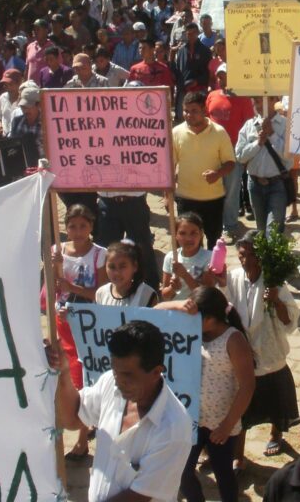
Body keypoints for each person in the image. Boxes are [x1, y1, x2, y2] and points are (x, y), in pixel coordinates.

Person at [48, 320, 192, 502]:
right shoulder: (110, 382)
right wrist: (63, 373)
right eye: (115, 370)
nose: (118, 381)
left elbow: (138, 497)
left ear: (156, 372)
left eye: (128, 375)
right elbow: (72, 419)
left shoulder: (174, 428)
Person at [173, 287, 255, 502]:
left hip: (221, 425)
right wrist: (178, 305)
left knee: (223, 474)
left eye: (193, 315)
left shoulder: (233, 340)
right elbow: (155, 310)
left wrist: (227, 425)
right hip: (193, 420)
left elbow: (247, 386)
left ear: (210, 318)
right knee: (182, 471)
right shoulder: (194, 333)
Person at [225, 232, 300, 464]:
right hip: (244, 352)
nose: (246, 260)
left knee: (277, 401)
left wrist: (276, 300)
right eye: (242, 254)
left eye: (252, 255)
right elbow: (224, 303)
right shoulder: (234, 278)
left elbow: (290, 321)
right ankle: (238, 456)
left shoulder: (274, 282)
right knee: (242, 410)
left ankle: (276, 434)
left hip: (270, 350)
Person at [51, 203, 108, 459]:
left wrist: (70, 286)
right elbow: (53, 288)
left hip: (88, 322)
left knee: (84, 375)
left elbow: (100, 293)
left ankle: (84, 436)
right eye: (72, 226)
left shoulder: (99, 254)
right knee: (62, 374)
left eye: (83, 226)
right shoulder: (57, 251)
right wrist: (55, 269)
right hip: (62, 321)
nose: (77, 231)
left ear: (91, 227)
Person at [173, 91, 236, 251]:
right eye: (186, 111)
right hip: (185, 199)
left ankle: (212, 274)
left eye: (194, 111)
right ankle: (191, 274)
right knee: (189, 244)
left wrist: (217, 174)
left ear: (204, 110)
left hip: (213, 199)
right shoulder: (176, 132)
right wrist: (168, 196)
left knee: (213, 242)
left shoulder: (219, 132)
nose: (189, 115)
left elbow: (230, 163)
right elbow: (170, 165)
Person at [205, 63, 255, 236]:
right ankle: (214, 221)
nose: (221, 79)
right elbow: (206, 118)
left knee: (232, 190)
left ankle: (230, 224)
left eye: (225, 75)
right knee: (212, 187)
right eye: (219, 75)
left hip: (233, 150)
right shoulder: (211, 95)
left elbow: (249, 125)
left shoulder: (243, 98)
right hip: (211, 148)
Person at [235, 100, 290, 236]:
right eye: (255, 102)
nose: (258, 105)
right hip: (254, 185)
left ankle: (273, 257)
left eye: (261, 100)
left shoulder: (285, 124)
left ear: (272, 100)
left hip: (277, 185)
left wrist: (272, 134)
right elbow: (240, 156)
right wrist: (257, 143)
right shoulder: (249, 125)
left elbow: (288, 156)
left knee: (273, 231)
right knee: (261, 229)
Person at [160, 211, 222, 301]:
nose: (188, 238)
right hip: (176, 309)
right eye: (182, 233)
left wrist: (185, 275)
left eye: (193, 233)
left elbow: (206, 296)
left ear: (201, 234)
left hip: (198, 309)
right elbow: (165, 295)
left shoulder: (209, 258)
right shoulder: (170, 257)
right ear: (175, 235)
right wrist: (172, 288)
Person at [95, 239, 158, 307]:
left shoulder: (147, 295)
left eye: (122, 267)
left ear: (135, 266)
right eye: (112, 267)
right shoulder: (101, 293)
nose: (117, 273)